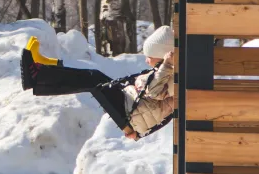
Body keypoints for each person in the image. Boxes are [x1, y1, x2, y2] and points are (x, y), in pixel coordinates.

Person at [20, 26, 178, 139]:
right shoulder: (168, 71)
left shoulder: (171, 74)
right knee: (93, 77)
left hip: (132, 111)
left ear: (163, 55)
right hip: (131, 104)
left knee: (93, 79)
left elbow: (156, 93)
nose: (146, 59)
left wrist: (167, 65)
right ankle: (43, 70)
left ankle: (38, 76)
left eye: (150, 55)